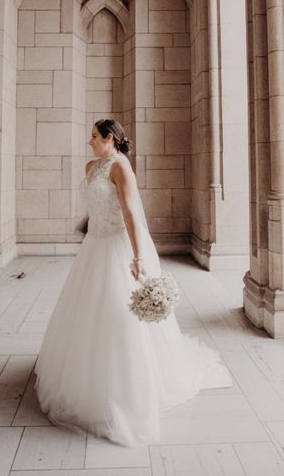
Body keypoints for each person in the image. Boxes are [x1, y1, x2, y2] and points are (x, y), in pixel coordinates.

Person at [34, 119, 232, 447]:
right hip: (94, 247)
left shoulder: (121, 167)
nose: (89, 142)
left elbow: (130, 214)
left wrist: (139, 258)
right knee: (86, 313)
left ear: (110, 138)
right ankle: (84, 377)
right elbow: (95, 208)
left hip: (116, 245)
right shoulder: (91, 166)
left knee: (119, 313)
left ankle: (125, 383)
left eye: (94, 137)